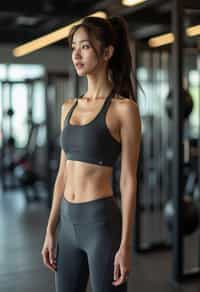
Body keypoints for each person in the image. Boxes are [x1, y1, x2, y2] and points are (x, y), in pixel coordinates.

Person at [41, 15, 141, 292]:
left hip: (101, 225)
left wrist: (125, 245)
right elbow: (62, 174)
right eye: (74, 47)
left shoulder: (124, 109)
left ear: (107, 52)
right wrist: (51, 228)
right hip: (67, 225)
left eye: (84, 46)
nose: (76, 54)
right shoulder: (68, 107)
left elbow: (129, 180)